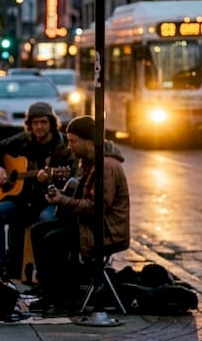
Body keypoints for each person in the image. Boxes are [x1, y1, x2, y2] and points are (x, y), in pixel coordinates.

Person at [29, 116, 131, 314]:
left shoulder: (106, 166)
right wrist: (60, 196)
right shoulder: (88, 162)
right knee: (38, 230)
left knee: (53, 239)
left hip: (105, 231)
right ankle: (48, 293)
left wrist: (62, 200)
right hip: (88, 225)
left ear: (89, 142)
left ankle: (62, 298)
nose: (69, 147)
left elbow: (96, 207)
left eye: (73, 141)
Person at [0, 102, 74, 281]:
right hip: (23, 201)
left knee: (46, 219)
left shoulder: (63, 146)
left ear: (52, 123)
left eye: (43, 122)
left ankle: (45, 274)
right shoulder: (23, 140)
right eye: (35, 123)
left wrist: (50, 179)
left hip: (48, 202)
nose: (39, 127)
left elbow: (71, 176)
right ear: (30, 125)